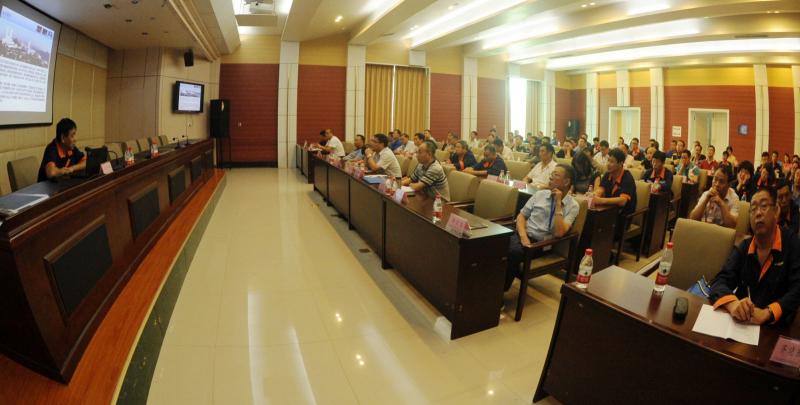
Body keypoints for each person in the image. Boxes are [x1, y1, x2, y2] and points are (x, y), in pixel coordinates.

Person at [709, 187, 800, 325]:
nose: (758, 213)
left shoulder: (792, 243)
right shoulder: (745, 247)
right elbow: (720, 281)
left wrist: (768, 312)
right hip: (743, 323)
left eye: (764, 206)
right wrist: (733, 304)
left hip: (776, 327)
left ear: (776, 211)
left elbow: (797, 289)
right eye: (753, 209)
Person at [505, 164, 580, 292]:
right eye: (551, 174)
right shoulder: (540, 194)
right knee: (495, 240)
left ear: (566, 182)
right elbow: (521, 216)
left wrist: (558, 203)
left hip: (540, 244)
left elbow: (559, 233)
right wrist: (523, 236)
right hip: (522, 235)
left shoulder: (573, 206)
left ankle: (498, 293)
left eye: (555, 175)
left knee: (513, 252)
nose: (550, 177)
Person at [593, 149, 637, 225]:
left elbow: (622, 201)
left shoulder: (627, 178)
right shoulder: (608, 174)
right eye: (608, 160)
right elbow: (601, 189)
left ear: (620, 163)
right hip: (608, 212)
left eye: (612, 162)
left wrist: (600, 200)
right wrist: (595, 195)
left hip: (623, 217)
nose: (608, 164)